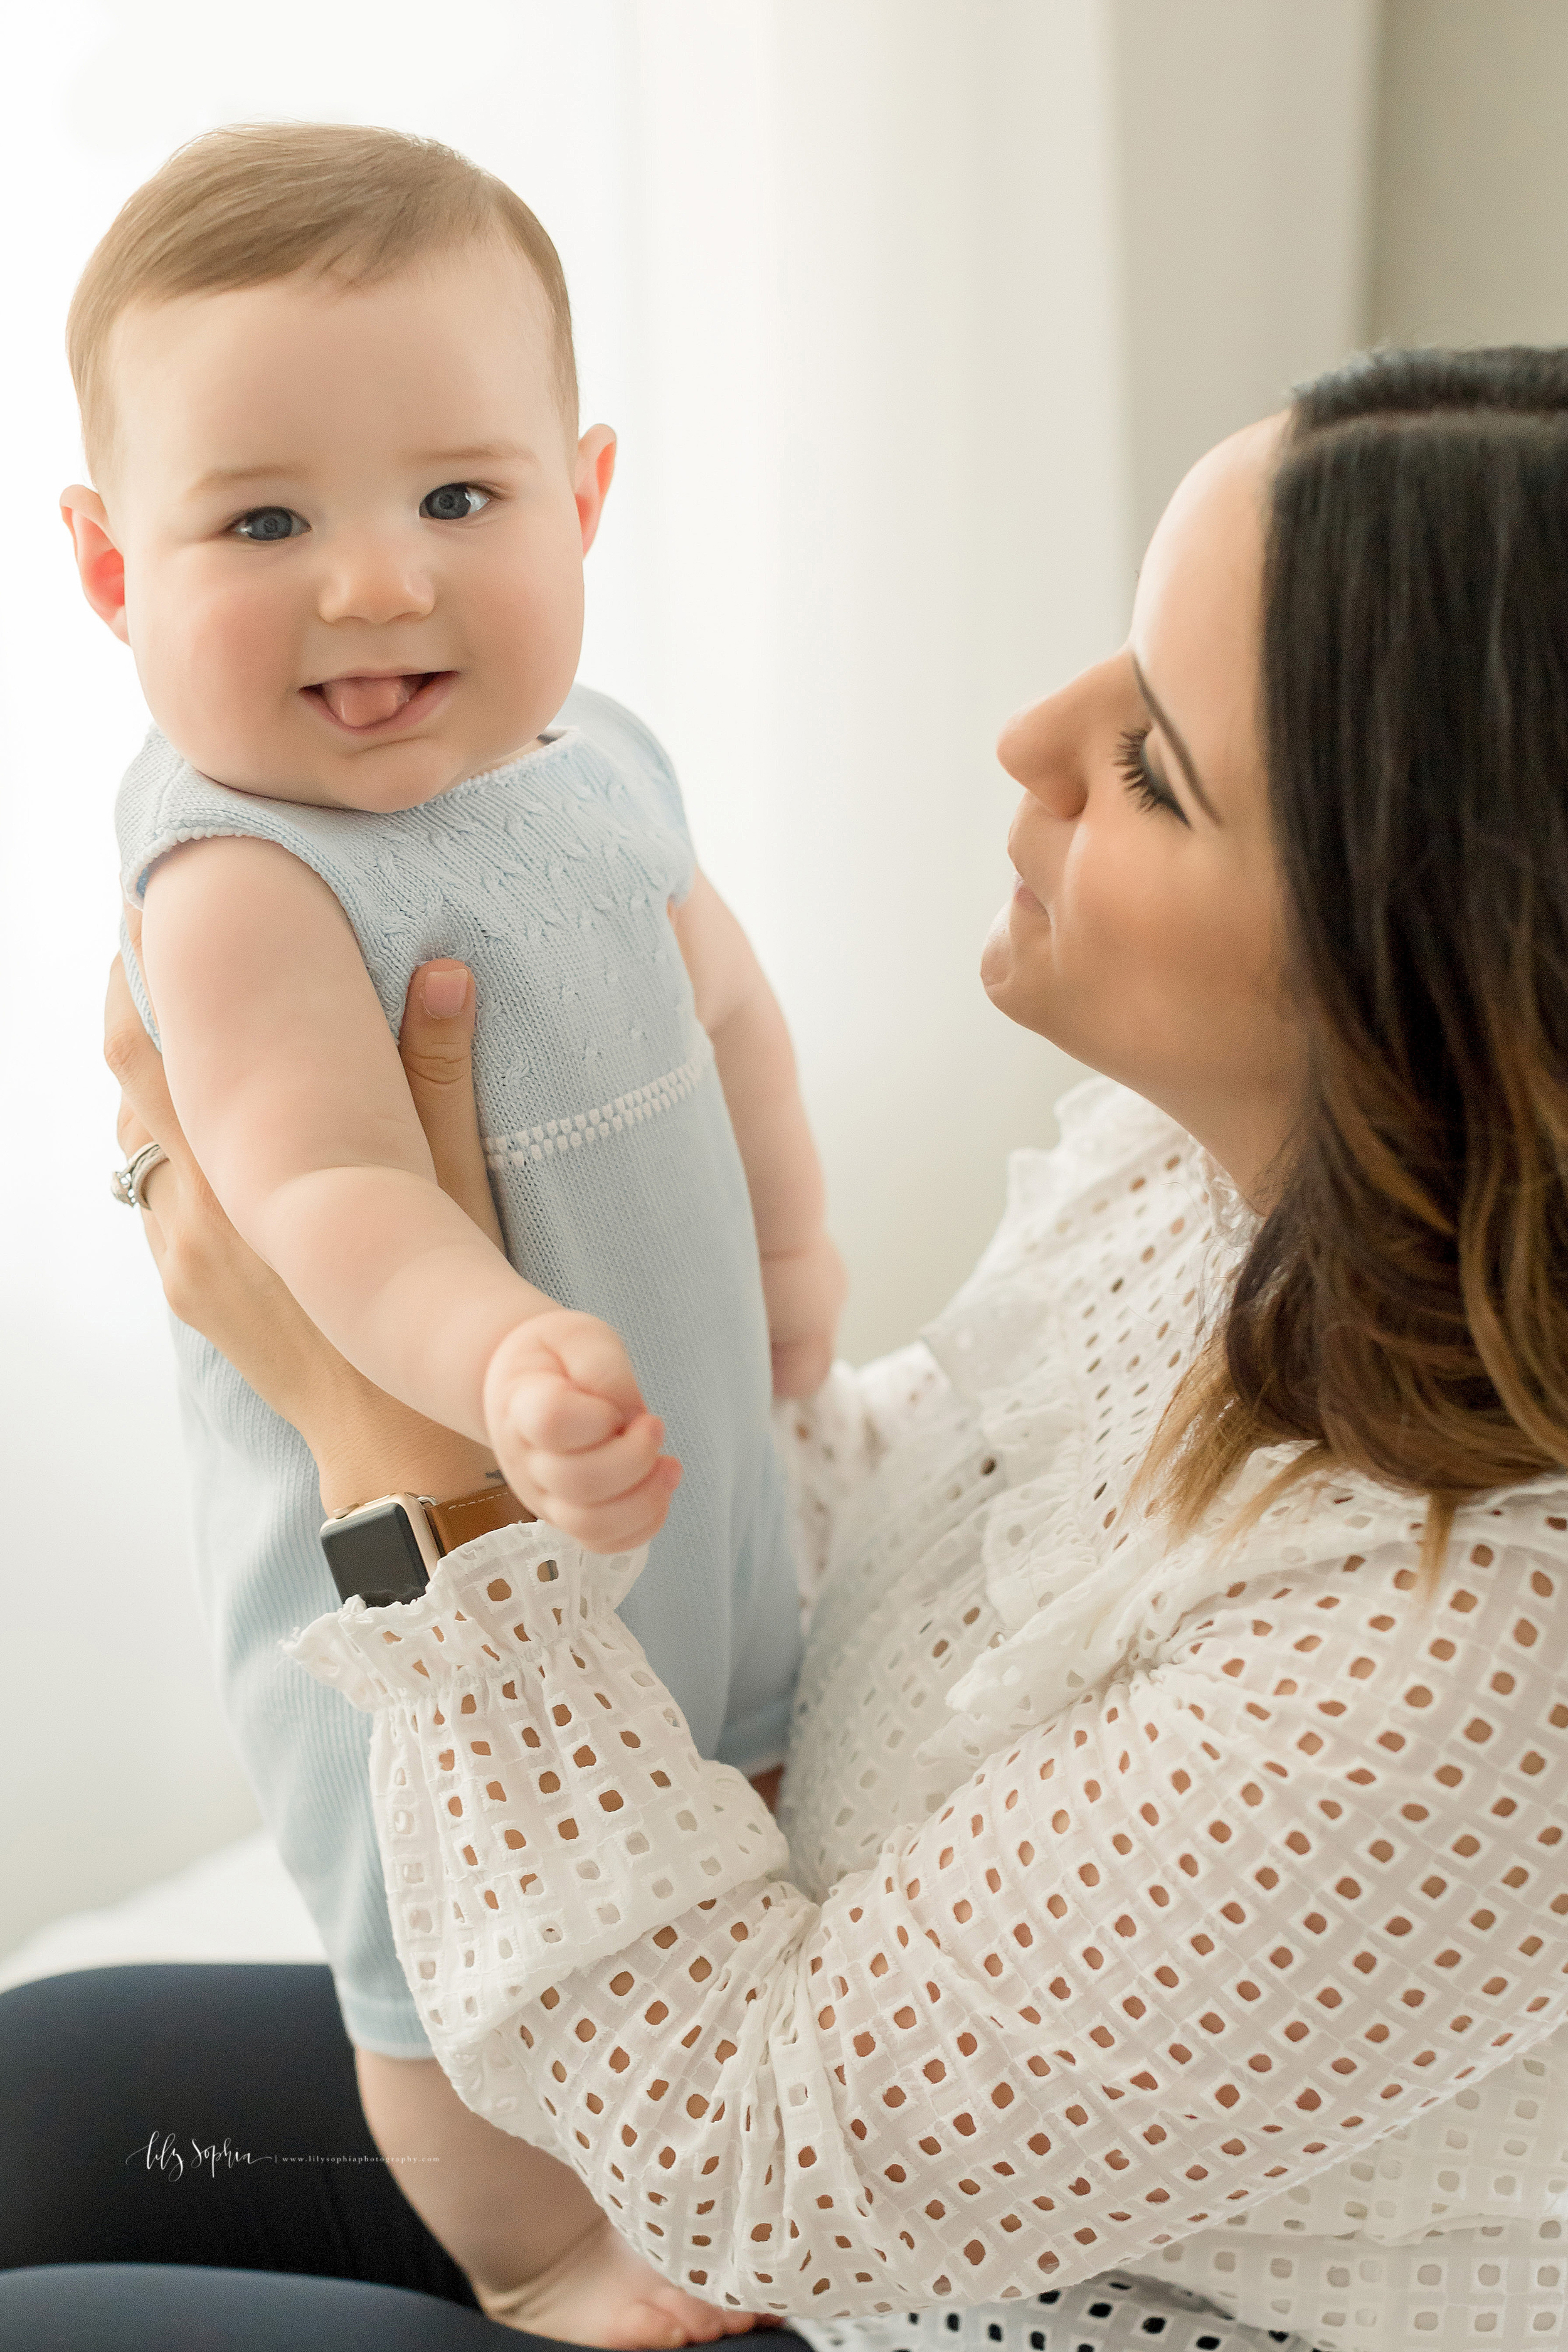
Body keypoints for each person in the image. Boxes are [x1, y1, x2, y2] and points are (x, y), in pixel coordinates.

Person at [78, 347, 1568, 2352]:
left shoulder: (1468, 1658)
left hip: (817, 2250)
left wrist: (386, 1439)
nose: (1028, 739)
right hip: (787, 2003)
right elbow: (934, 1557)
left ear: (1424, 966)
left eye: (1150, 768)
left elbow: (761, 2172)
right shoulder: (1214, 1185)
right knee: (44, 2103)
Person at [58, 122, 840, 2346]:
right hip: (419, 1540)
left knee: (729, 1769)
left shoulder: (594, 754)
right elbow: (316, 1195)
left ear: (584, 500)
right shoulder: (235, 879)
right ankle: (536, 2245)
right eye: (268, 520)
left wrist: (789, 1265)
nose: (378, 583)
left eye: (458, 501)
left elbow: (734, 1013)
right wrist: (497, 1357)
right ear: (115, 574)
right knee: (441, 1920)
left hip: (682, 1489)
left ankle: (702, 2148)